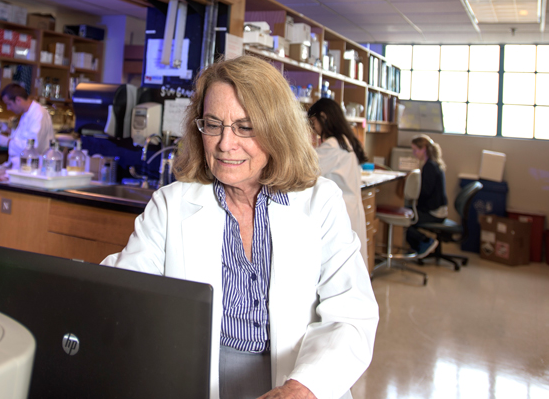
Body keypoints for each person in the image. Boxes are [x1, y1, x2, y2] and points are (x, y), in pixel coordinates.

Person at [102, 56, 378, 399]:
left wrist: (302, 388)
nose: (225, 144)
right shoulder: (171, 204)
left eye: (245, 127)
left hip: (300, 376)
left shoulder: (321, 203)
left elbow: (351, 315)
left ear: (277, 129)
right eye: (213, 124)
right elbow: (122, 290)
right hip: (197, 376)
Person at [306, 98, 370, 269]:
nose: (314, 128)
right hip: (351, 206)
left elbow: (305, 168)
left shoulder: (332, 146)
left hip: (343, 209)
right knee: (350, 264)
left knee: (340, 265)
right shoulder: (344, 140)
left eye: (313, 122)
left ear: (323, 117)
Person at [0, 82, 53, 204]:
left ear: (18, 100)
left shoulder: (39, 114)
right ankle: (1, 215)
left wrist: (8, 142)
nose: (8, 108)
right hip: (15, 162)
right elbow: (23, 136)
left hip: (31, 167)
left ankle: (3, 218)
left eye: (9, 104)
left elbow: (33, 147)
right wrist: (6, 129)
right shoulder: (26, 113)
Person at [406, 134, 448, 257]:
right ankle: (419, 247)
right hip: (437, 209)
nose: (414, 153)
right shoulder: (433, 163)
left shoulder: (429, 166)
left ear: (423, 149)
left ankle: (424, 241)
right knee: (407, 212)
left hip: (434, 212)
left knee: (404, 216)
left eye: (415, 150)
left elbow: (425, 192)